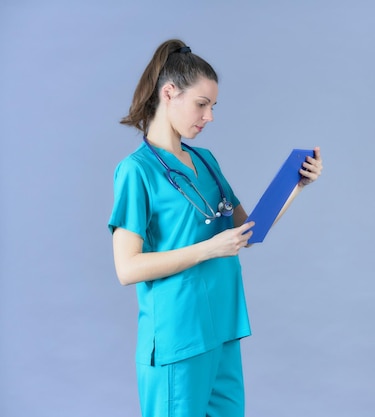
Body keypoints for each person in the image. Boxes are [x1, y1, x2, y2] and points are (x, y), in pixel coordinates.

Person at [108, 39, 322, 417]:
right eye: (202, 104)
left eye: (213, 107)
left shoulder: (205, 161)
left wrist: (296, 186)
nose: (209, 117)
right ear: (169, 93)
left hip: (222, 328)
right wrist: (208, 248)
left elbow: (246, 233)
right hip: (179, 336)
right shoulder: (136, 171)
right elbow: (128, 269)